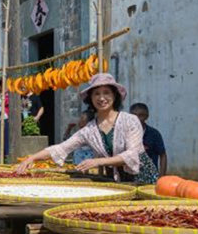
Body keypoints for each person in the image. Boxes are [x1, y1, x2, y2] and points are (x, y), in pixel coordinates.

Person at [17, 73, 159, 183]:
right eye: (96, 94)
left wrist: (97, 161)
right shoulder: (90, 130)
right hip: (117, 180)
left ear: (114, 96)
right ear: (90, 98)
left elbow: (132, 154)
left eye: (106, 92)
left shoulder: (130, 121)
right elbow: (61, 148)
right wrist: (32, 158)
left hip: (142, 178)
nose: (101, 98)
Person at [130, 102, 167, 177]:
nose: (137, 119)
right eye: (134, 115)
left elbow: (163, 155)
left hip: (150, 176)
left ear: (147, 116)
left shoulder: (154, 134)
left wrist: (161, 176)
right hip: (128, 177)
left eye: (141, 115)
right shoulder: (124, 133)